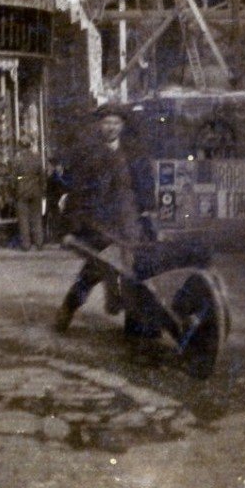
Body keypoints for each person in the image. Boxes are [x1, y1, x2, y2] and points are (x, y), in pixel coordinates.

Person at [54, 103, 155, 333]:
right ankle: (69, 307)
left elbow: (145, 182)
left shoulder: (132, 151)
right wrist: (71, 227)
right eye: (107, 123)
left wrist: (147, 209)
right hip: (101, 222)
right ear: (100, 125)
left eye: (116, 123)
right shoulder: (89, 153)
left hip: (129, 220)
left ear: (123, 125)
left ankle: (133, 325)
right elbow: (78, 191)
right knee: (95, 270)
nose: (111, 127)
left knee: (133, 271)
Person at [12, 133, 46, 250]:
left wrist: (19, 181)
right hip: (36, 189)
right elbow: (41, 174)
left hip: (22, 190)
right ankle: (39, 242)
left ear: (20, 145)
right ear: (30, 145)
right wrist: (41, 187)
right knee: (37, 217)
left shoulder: (18, 158)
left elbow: (14, 177)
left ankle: (26, 244)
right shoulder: (37, 157)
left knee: (23, 219)